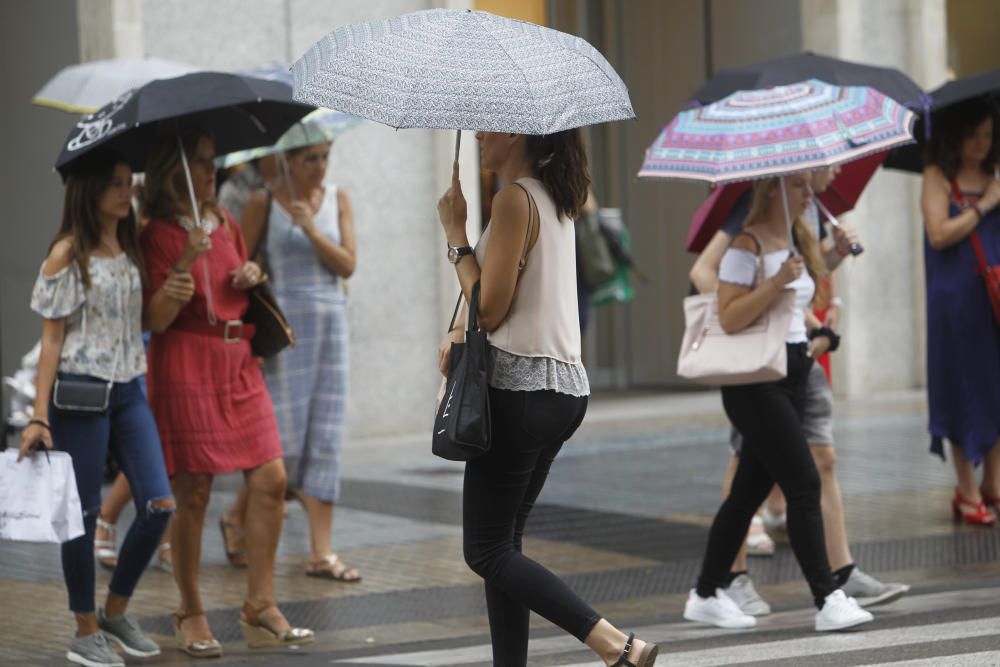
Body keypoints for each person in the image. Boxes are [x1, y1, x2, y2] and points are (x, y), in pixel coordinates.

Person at [436, 130, 658, 667]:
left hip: (519, 391)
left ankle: (613, 644)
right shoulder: (558, 198)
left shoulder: (514, 199)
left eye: (488, 127)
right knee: (504, 547)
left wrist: (455, 235)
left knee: (485, 550)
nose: (479, 138)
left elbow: (491, 309)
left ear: (513, 133)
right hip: (561, 391)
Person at [688, 170, 908, 616]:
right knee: (804, 481)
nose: (809, 193)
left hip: (792, 372)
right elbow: (729, 317)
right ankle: (828, 597)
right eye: (798, 186)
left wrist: (834, 258)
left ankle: (706, 593)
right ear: (772, 190)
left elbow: (796, 301)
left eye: (808, 185)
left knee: (748, 494)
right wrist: (775, 282)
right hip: (756, 382)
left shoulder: (791, 238)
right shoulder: (744, 246)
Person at [141, 126, 313, 657]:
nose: (212, 171)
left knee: (271, 478)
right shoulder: (158, 234)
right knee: (192, 493)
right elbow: (156, 318)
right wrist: (185, 259)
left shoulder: (227, 221)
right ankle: (190, 611)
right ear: (173, 172)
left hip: (238, 362)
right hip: (186, 361)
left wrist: (251, 273)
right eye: (200, 162)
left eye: (214, 161)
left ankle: (259, 602)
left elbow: (237, 283)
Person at [20, 149, 174, 667]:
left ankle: (114, 611)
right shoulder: (68, 251)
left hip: (130, 389)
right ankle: (84, 627)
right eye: (115, 183)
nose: (126, 191)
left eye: (129, 181)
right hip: (80, 395)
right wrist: (38, 415)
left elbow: (146, 317)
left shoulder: (129, 241)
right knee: (81, 515)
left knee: (158, 505)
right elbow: (51, 341)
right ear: (89, 190)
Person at [222, 123, 360, 581]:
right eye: (311, 159)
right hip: (286, 330)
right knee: (282, 436)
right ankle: (238, 516)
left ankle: (322, 553)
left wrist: (311, 230)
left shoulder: (337, 198)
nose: (320, 167)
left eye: (325, 156)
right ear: (288, 161)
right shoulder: (264, 201)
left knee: (325, 434)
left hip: (331, 325)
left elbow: (348, 265)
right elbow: (239, 258)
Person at [921, 100, 1000, 525]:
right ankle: (966, 487)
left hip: (994, 297)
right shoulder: (939, 176)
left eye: (988, 135)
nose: (982, 145)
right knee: (960, 385)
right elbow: (938, 234)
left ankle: (994, 483)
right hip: (954, 299)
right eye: (974, 135)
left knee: (995, 384)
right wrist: (984, 205)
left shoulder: (995, 174)